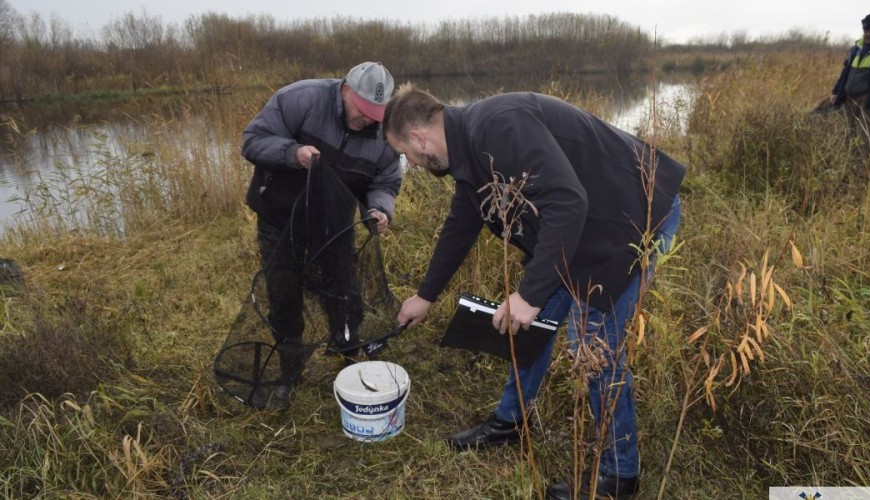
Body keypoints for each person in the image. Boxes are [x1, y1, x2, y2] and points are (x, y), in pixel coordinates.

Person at [383, 84, 685, 499]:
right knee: (528, 326)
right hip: (579, 230)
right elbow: (461, 225)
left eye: (406, 154)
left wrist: (530, 294)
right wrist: (426, 295)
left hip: (635, 215)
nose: (412, 165)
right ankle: (509, 423)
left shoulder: (497, 126)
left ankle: (620, 476)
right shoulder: (469, 152)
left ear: (418, 138)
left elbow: (567, 201)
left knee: (593, 344)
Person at [241, 62, 401, 409]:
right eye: (362, 111)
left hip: (334, 222)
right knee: (283, 291)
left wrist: (380, 209)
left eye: (376, 114)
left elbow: (385, 180)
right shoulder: (300, 99)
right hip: (281, 217)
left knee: (344, 290)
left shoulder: (383, 133)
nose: (368, 121)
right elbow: (252, 141)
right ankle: (289, 370)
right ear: (345, 90)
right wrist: (291, 153)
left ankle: (347, 350)